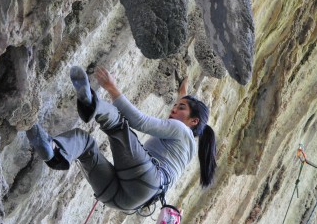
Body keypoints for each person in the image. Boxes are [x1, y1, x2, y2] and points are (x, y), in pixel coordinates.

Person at [26, 66, 217, 211]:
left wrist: (111, 87)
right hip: (127, 201)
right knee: (84, 145)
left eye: (180, 108)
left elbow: (139, 122)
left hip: (149, 178)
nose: (173, 109)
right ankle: (54, 150)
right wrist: (183, 90)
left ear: (193, 121)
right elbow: (184, 102)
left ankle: (91, 103)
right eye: (175, 106)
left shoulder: (180, 129)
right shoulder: (188, 146)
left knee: (118, 125)